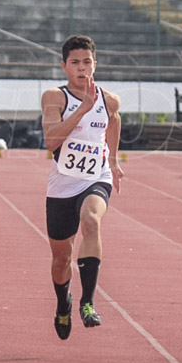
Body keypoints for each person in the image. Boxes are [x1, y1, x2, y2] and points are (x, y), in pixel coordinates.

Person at [41, 35, 124, 340]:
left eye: (86, 62)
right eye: (75, 62)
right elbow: (51, 141)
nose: (81, 68)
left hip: (95, 178)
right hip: (62, 185)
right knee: (61, 260)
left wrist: (113, 161)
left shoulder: (109, 99)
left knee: (91, 220)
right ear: (64, 66)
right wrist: (82, 110)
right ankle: (64, 302)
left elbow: (114, 119)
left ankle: (88, 301)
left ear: (95, 64)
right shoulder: (54, 97)